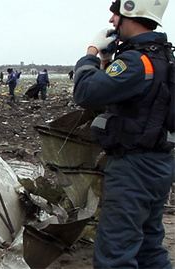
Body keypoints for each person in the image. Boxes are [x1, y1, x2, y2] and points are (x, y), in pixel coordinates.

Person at [73, 0, 174, 268]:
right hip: (159, 164)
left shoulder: (137, 62)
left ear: (131, 13)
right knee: (149, 246)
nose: (111, 22)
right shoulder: (163, 57)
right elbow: (126, 97)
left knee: (115, 252)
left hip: (133, 168)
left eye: (115, 15)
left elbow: (86, 93)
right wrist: (108, 60)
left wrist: (91, 54)